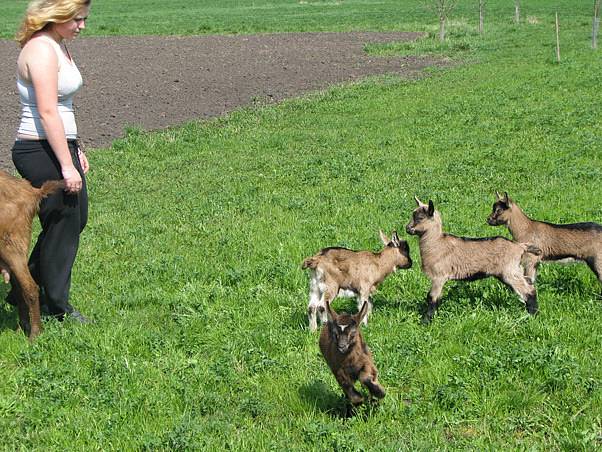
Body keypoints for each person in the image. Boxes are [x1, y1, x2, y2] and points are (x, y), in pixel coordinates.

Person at [7, 0, 92, 323]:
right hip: (37, 147)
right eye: (77, 19)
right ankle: (58, 308)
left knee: (73, 219)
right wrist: (65, 165)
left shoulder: (58, 44)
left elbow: (64, 107)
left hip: (57, 145)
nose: (82, 26)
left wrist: (75, 148)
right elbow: (46, 110)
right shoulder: (42, 49)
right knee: (63, 221)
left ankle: (22, 285)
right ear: (58, 15)